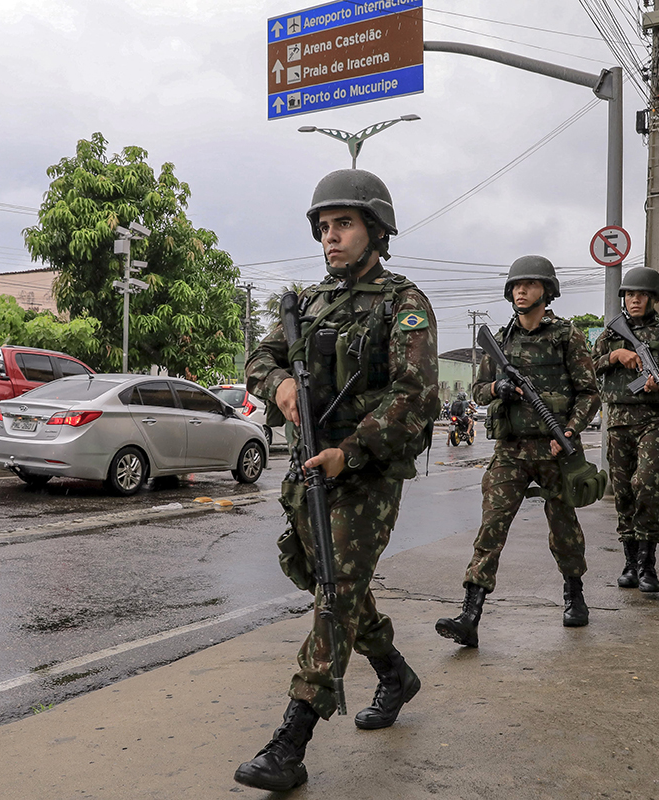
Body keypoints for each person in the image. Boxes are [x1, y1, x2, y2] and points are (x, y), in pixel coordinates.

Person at [236, 169, 439, 792]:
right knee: (331, 581)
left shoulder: (403, 303)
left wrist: (348, 453)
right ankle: (395, 673)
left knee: (336, 594)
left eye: (344, 224)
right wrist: (281, 385)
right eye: (324, 227)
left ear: (375, 230)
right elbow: (259, 358)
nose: (331, 236)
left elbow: (415, 395)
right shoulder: (309, 303)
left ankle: (290, 742)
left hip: (366, 473)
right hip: (310, 466)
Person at [436, 255, 599, 641]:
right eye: (516, 286)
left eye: (529, 284)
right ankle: (470, 615)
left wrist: (570, 431)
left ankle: (574, 595)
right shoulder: (501, 341)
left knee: (564, 528)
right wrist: (498, 388)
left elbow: (589, 393)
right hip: (511, 451)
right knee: (491, 527)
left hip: (555, 450)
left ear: (547, 291)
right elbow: (478, 391)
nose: (521, 291)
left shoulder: (566, 336)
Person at [592, 268, 659, 593]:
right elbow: (587, 367)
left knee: (647, 484)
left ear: (654, 298)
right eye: (629, 294)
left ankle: (647, 563)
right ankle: (630, 561)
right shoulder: (610, 334)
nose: (635, 299)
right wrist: (615, 355)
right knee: (623, 490)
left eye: (641, 294)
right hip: (618, 420)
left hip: (657, 420)